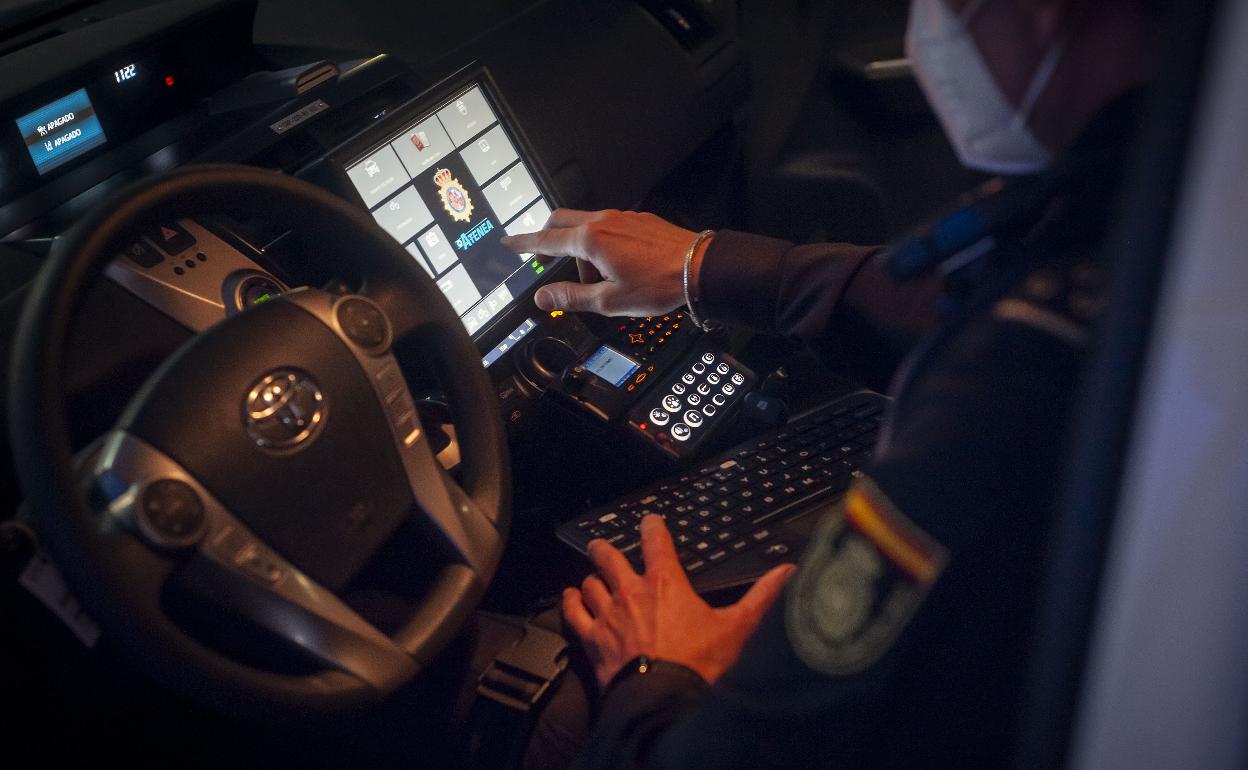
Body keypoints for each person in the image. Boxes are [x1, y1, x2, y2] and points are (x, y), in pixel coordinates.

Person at [497, 0, 1158, 766]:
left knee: (548, 691)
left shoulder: (1023, 368)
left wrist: (654, 672)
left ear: (1046, 14)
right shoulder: (1152, 192)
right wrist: (704, 265)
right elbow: (941, 295)